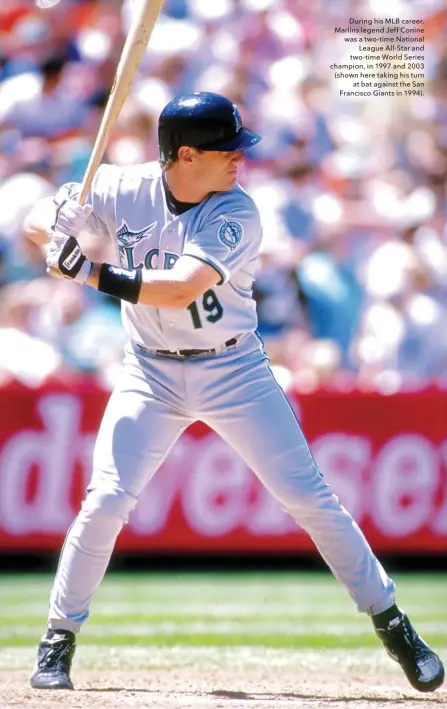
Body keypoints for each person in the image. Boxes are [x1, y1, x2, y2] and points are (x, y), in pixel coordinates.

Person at [24, 91, 444, 693]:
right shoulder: (118, 186)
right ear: (185, 154)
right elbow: (37, 218)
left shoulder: (238, 211)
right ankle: (58, 638)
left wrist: (86, 269)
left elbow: (179, 288)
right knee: (108, 498)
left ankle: (393, 622)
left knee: (311, 499)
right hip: (150, 370)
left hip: (235, 370)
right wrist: (54, 231)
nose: (239, 159)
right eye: (227, 150)